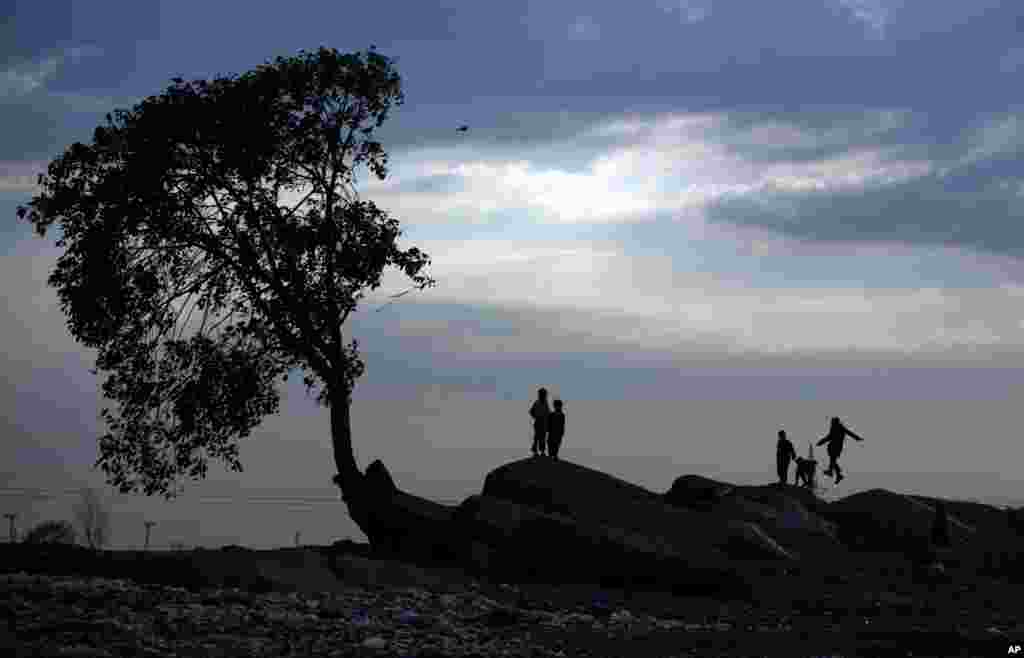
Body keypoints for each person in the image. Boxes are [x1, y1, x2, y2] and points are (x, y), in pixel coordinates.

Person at [816, 417, 864, 484]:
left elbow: (849, 432)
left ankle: (832, 472)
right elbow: (829, 437)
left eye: (832, 422)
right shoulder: (833, 428)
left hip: (837, 447)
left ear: (835, 422)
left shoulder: (840, 427)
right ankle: (837, 474)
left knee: (832, 459)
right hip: (832, 446)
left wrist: (857, 438)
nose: (831, 423)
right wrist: (821, 442)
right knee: (833, 460)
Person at [529, 388, 551, 457]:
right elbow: (531, 411)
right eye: (542, 394)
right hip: (538, 422)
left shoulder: (545, 403)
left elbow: (548, 413)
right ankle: (535, 451)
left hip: (544, 422)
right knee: (537, 437)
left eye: (544, 394)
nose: (544, 395)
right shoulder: (537, 402)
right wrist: (536, 416)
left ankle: (542, 451)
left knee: (543, 438)